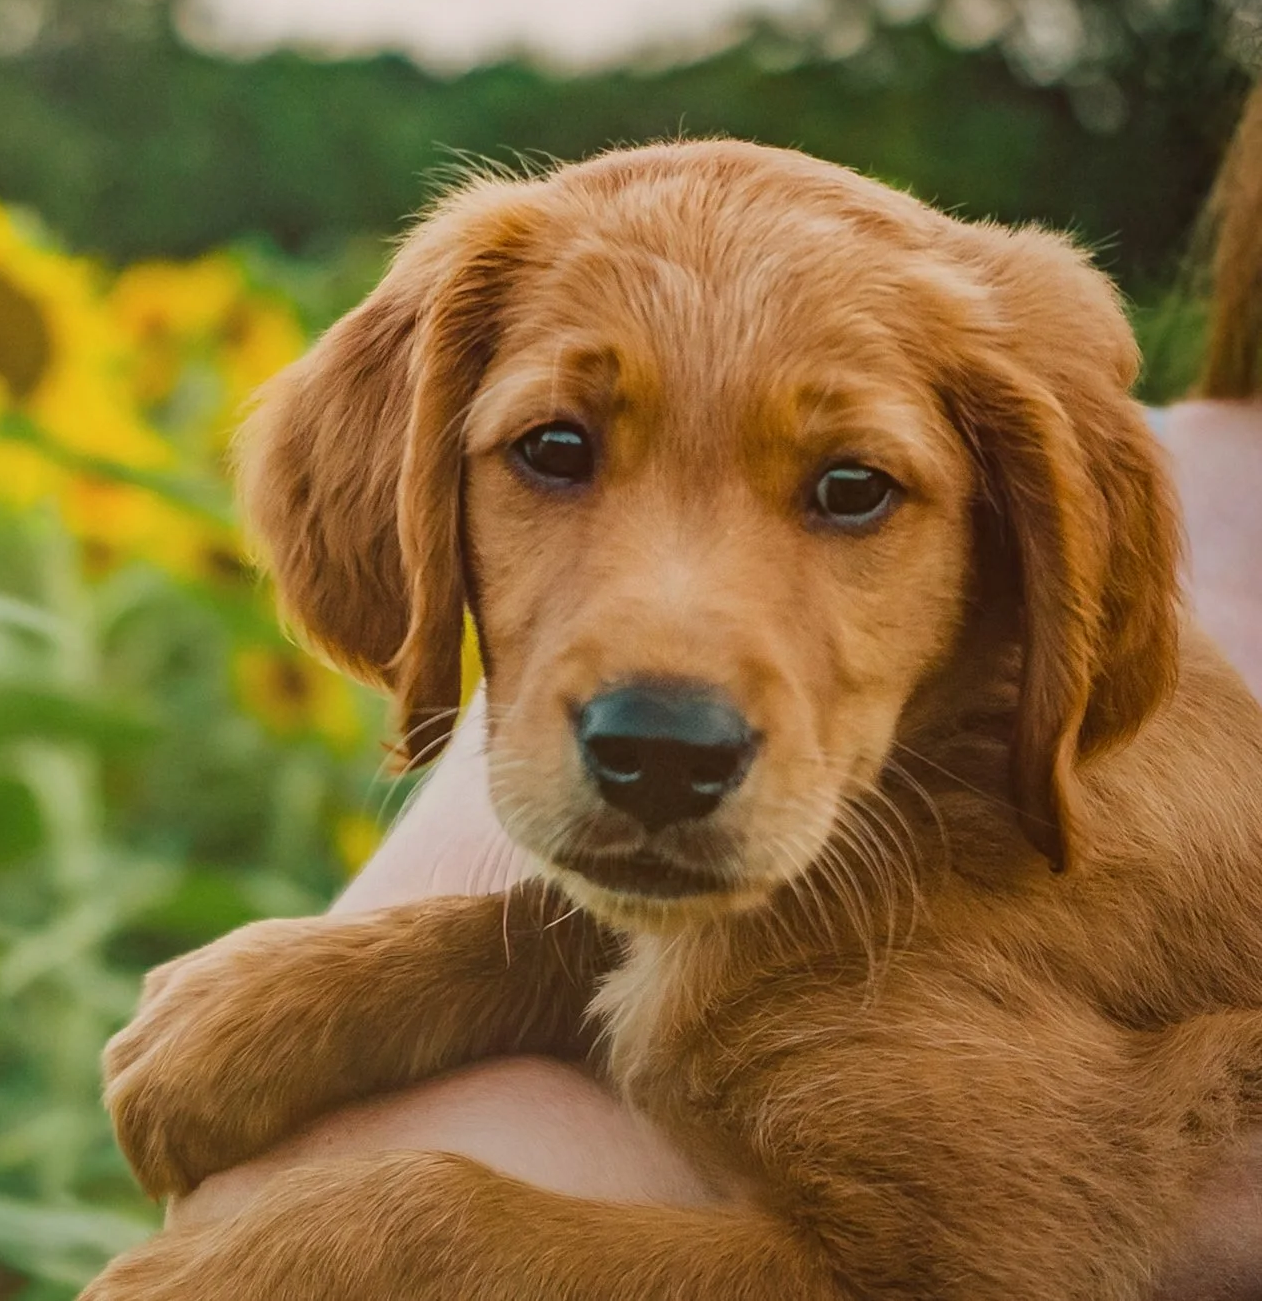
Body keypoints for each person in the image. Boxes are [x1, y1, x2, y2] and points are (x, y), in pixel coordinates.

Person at [171, 88, 1262, 1297]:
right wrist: (450, 966)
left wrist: (407, 1244)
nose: (669, 691)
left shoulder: (1101, 849)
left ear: (1038, 553)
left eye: (852, 489)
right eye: (556, 451)